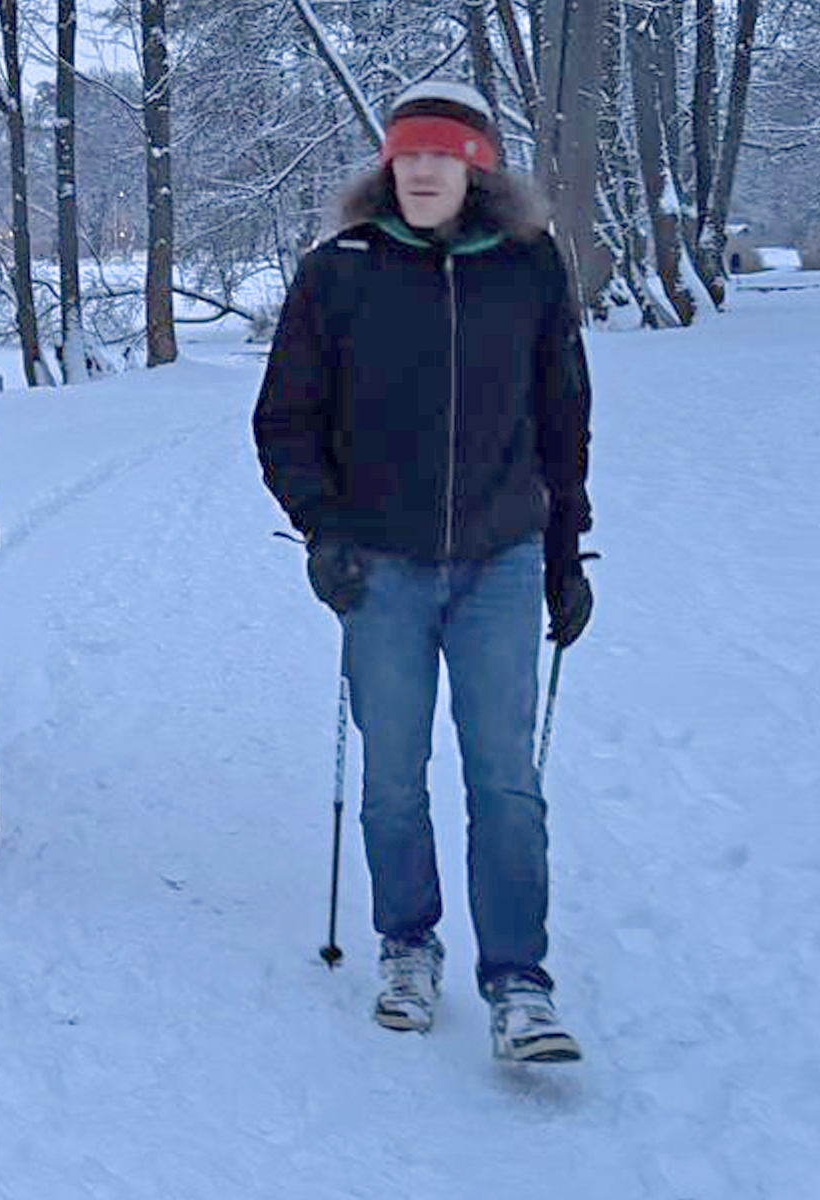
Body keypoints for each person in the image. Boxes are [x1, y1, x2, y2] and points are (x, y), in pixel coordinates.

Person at [252, 80, 595, 1063]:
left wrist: (565, 552)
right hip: (382, 566)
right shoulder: (340, 271)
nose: (424, 169)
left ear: (477, 167)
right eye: (408, 153)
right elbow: (285, 420)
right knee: (394, 780)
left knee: (505, 782)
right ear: (388, 165)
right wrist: (323, 530)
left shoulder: (527, 266)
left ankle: (519, 982)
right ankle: (407, 945)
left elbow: (563, 419)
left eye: (444, 153)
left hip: (502, 560)